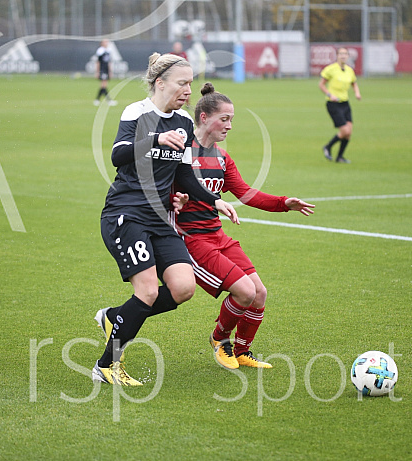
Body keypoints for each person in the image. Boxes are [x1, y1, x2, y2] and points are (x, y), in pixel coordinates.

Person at [92, 54, 239, 386]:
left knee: (184, 288)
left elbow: (185, 177)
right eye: (182, 83)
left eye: (190, 83)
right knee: (145, 291)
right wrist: (155, 139)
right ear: (160, 83)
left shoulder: (185, 122)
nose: (189, 89)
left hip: (161, 219)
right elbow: (118, 154)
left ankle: (115, 318)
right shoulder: (137, 112)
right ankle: (106, 365)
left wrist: (216, 201)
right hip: (126, 213)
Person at [174, 83, 316, 369]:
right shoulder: (181, 152)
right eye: (224, 119)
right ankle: (219, 339)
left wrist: (282, 202)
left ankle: (242, 352)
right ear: (204, 118)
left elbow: (246, 193)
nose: (229, 126)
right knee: (245, 292)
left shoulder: (223, 158)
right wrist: (176, 200)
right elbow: (160, 190)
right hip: (192, 240)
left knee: (259, 292)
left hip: (218, 236)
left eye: (231, 120)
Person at [319, 47, 361, 164]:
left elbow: (354, 83)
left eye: (345, 54)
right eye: (341, 54)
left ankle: (340, 157)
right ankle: (328, 146)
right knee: (345, 131)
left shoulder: (349, 70)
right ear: (337, 55)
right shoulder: (331, 69)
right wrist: (329, 94)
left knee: (348, 133)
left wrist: (357, 93)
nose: (343, 56)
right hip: (333, 104)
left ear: (348, 56)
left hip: (345, 103)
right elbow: (321, 85)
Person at [93, 39, 116, 106]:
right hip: (102, 70)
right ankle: (108, 100)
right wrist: (97, 71)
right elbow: (98, 62)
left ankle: (97, 100)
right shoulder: (100, 51)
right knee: (103, 85)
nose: (107, 43)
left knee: (103, 86)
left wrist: (110, 71)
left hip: (106, 70)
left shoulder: (108, 51)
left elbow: (108, 62)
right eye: (105, 42)